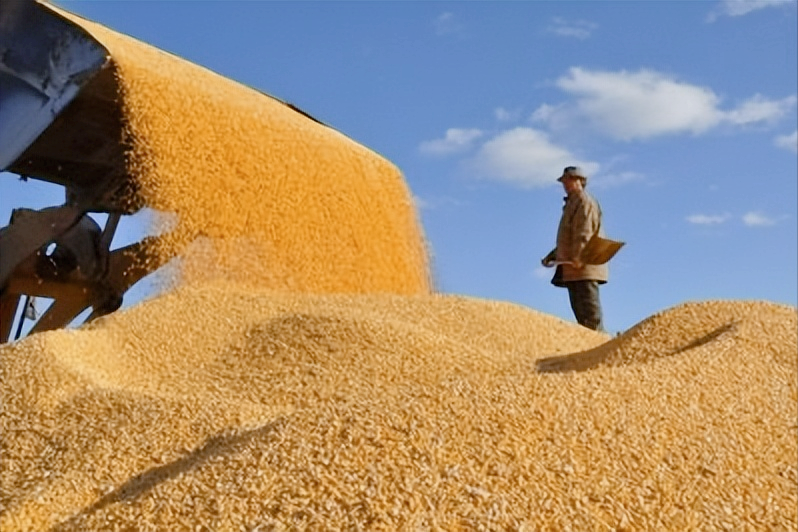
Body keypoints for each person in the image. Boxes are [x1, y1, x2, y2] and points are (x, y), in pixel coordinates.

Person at [541, 166, 608, 331]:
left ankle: (600, 347)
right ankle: (589, 348)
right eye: (565, 181)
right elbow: (568, 238)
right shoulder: (572, 203)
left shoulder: (584, 201)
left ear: (579, 181)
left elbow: (584, 232)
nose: (566, 184)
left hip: (584, 266)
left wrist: (578, 257)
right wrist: (553, 255)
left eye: (569, 180)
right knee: (581, 315)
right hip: (572, 267)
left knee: (590, 315)